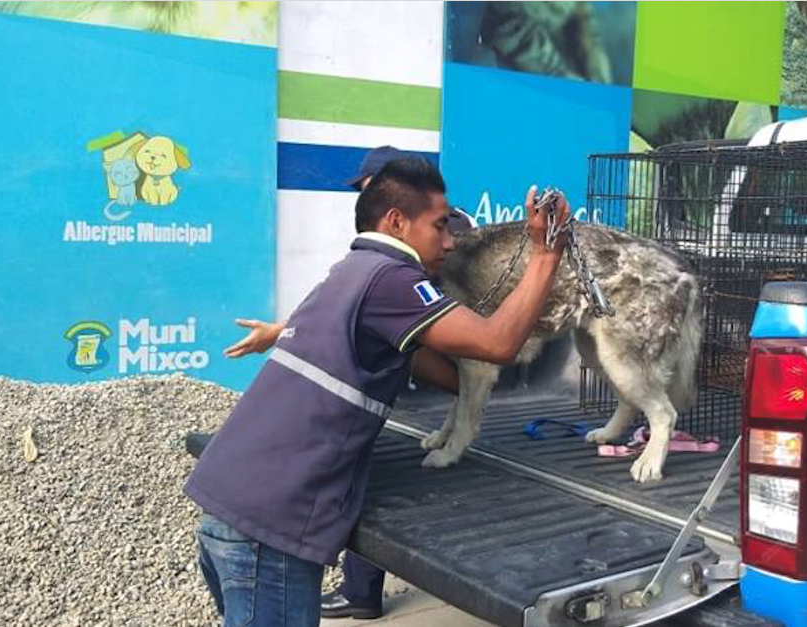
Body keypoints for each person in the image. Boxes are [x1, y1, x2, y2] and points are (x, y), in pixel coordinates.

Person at [185, 156, 570, 627]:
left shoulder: (353, 270)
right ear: (396, 222)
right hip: (270, 528)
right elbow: (497, 343)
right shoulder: (393, 279)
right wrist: (545, 254)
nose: (450, 242)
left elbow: (449, 375)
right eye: (439, 227)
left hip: (234, 504)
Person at [222, 146, 471, 620]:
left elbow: (481, 342)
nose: (361, 197)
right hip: (397, 364)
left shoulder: (434, 240)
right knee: (357, 469)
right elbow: (345, 308)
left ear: (392, 200)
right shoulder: (376, 255)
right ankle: (361, 590)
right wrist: (279, 332)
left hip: (424, 358)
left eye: (367, 187)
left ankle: (360, 589)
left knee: (358, 464)